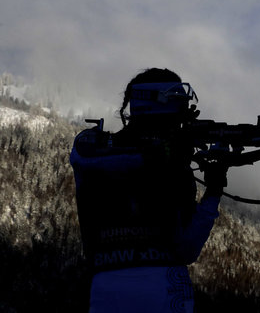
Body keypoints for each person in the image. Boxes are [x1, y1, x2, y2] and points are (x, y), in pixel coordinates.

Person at [70, 68, 227, 313]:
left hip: (108, 288)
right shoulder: (101, 150)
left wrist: (212, 189)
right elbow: (186, 249)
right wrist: (170, 158)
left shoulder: (99, 150)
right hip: (166, 288)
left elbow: (186, 250)